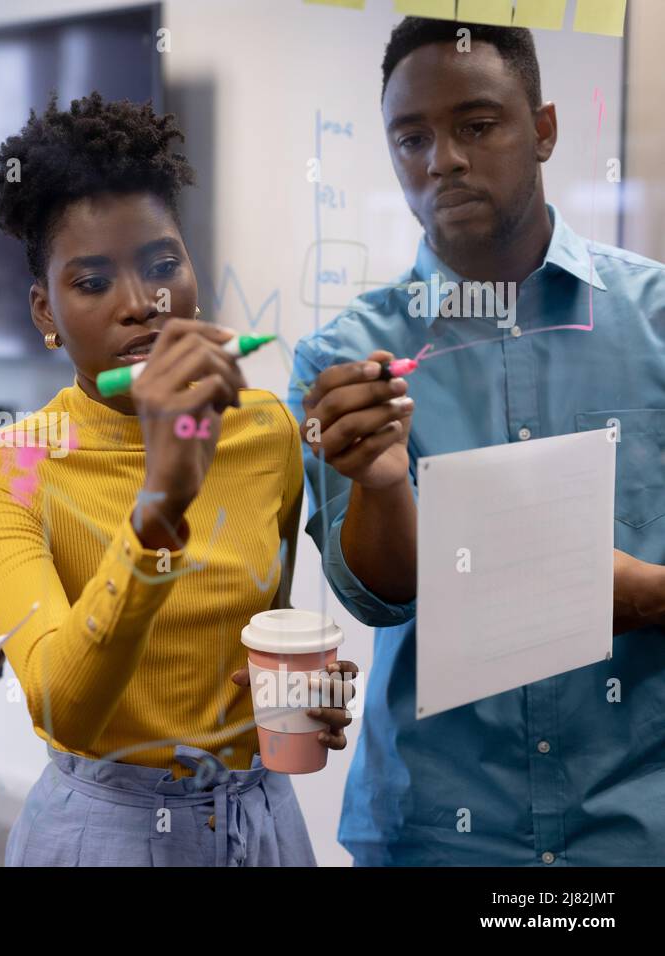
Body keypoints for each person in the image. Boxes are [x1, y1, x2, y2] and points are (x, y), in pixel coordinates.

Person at [288, 17, 665, 866]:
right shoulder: (346, 363)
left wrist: (647, 596)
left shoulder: (658, 324)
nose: (442, 160)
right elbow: (377, 597)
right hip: (435, 834)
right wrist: (384, 484)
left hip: (637, 829)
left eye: (477, 126)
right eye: (411, 137)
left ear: (544, 130)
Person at [0, 93, 356, 867]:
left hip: (263, 822)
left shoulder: (265, 427)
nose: (142, 304)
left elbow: (255, 642)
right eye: (92, 281)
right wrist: (161, 503)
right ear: (46, 309)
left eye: (163, 265)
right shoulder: (4, 468)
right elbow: (61, 704)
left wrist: (302, 694)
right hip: (103, 830)